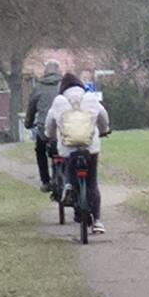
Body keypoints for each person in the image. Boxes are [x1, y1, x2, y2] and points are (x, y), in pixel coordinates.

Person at [44, 72, 109, 234]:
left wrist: (49, 136)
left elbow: (50, 124)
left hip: (68, 149)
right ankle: (97, 221)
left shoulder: (59, 101)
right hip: (90, 147)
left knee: (70, 169)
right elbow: (103, 117)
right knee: (92, 183)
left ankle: (69, 186)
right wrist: (104, 130)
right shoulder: (90, 98)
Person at [24, 60, 61, 191]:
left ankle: (45, 181)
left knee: (40, 150)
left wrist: (28, 123)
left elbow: (31, 107)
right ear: (58, 71)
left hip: (44, 129)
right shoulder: (64, 85)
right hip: (64, 127)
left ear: (45, 72)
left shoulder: (38, 87)